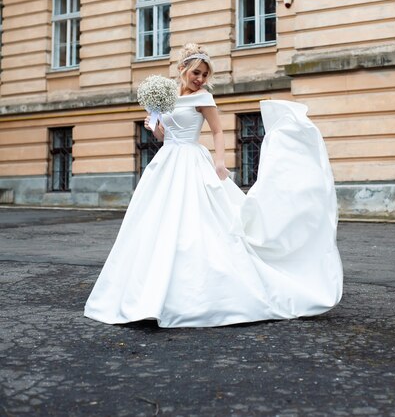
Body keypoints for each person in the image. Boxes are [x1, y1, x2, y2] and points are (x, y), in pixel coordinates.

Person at [84, 43, 343, 327]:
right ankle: (146, 293)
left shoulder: (204, 97)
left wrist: (220, 162)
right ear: (182, 70)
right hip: (166, 162)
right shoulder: (166, 95)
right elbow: (163, 137)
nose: (201, 79)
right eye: (197, 73)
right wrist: (154, 127)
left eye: (205, 74)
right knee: (156, 223)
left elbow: (218, 131)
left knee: (200, 223)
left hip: (192, 160)